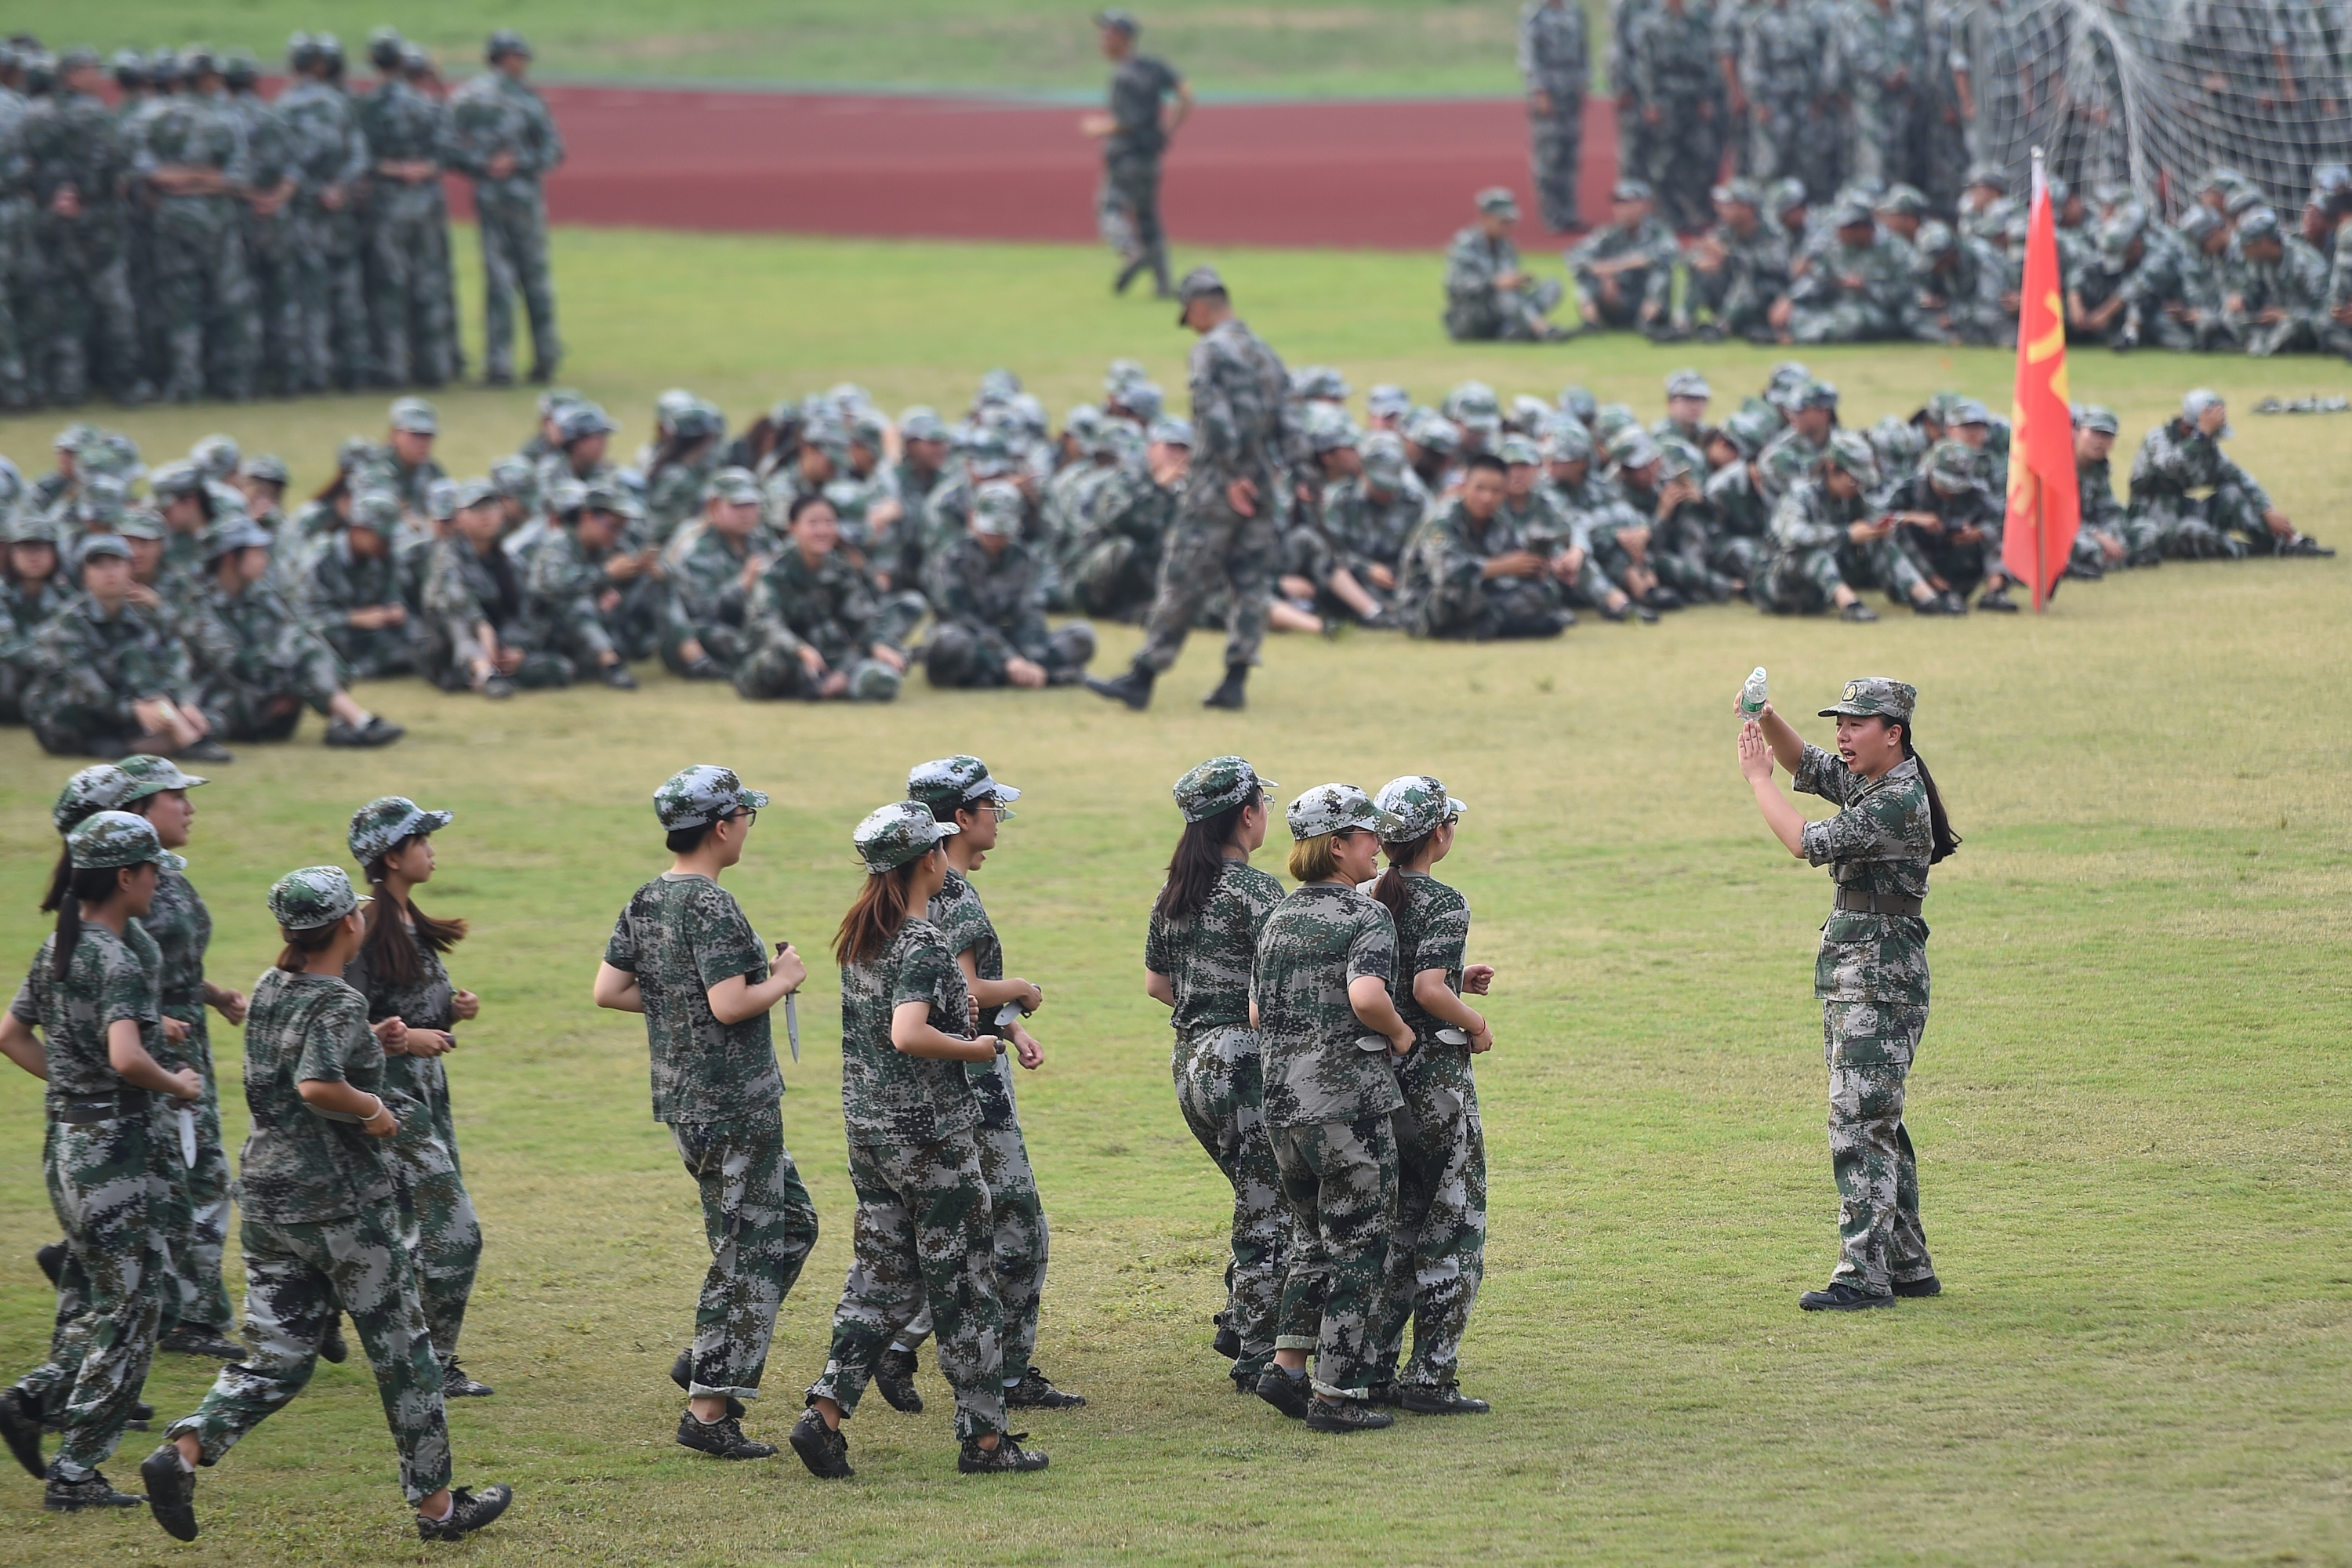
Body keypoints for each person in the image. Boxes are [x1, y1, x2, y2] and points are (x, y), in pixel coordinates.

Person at [138, 865, 513, 1544]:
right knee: (405, 1356)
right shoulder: (336, 1000)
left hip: (269, 1204)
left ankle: (184, 1451)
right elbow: (316, 1085)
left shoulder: (271, 985)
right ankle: (438, 1510)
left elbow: (297, 1063)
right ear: (348, 925)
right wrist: (373, 1110)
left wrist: (379, 1042)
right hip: (342, 1208)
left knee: (277, 1355)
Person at [790, 800, 1045, 1479]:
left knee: (882, 1278)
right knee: (967, 1285)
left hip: (870, 1136)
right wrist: (976, 1047)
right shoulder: (922, 941)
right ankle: (986, 1442)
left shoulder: (863, 936)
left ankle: (825, 1412)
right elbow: (908, 1032)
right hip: (930, 1138)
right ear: (925, 861)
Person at [593, 767, 818, 1461]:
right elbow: (727, 1005)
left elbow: (610, 989)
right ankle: (709, 1409)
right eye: (746, 816)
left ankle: (708, 1352)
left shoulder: (647, 898)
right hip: (733, 1103)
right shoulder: (710, 906)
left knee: (793, 1224)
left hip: (686, 1102)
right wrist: (783, 979)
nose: (749, 826)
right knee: (746, 1247)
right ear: (723, 826)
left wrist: (679, 1009)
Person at [0, 811, 198, 1513]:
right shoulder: (115, 958)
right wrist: (178, 1083)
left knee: (103, 1295)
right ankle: (76, 1470)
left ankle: (35, 1398)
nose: (156, 882)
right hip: (116, 1157)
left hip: (67, 1147)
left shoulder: (61, 944)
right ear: (125, 876)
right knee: (137, 1307)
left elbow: (10, 1034)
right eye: (150, 871)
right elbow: (125, 1057)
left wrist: (68, 1086)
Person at [1737, 677, 1957, 1311]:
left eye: (1856, 724)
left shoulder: (1895, 800)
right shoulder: (1877, 779)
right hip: (1860, 973)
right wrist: (1768, 718)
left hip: (1878, 980)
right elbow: (1807, 763)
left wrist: (1757, 781)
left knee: (1858, 1121)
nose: (1843, 734)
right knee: (1875, 1117)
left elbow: (1806, 842)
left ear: (1894, 733)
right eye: (1840, 722)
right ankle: (1907, 1262)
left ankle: (1863, 1275)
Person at [874, 758, 1083, 1417]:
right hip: (970, 1082)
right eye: (990, 805)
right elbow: (962, 993)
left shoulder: (912, 884)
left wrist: (1011, 1027)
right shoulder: (953, 893)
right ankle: (999, 1371)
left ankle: (897, 1343)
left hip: (937, 1082)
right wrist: (1021, 989)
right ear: (959, 819)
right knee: (1017, 1228)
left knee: (954, 1225)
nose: (1000, 816)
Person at [1250, 783, 1415, 1433]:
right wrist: (1400, 1035)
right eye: (1367, 835)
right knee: (1359, 1247)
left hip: (1283, 1107)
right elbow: (1368, 995)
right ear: (1339, 846)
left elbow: (1259, 1012)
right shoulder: (1363, 917)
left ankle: (1286, 1367)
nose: (1379, 845)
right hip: (1347, 1107)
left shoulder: (1278, 919)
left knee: (1312, 1239)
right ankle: (1336, 1394)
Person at [1087, 266, 1303, 712]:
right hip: (1262, 481)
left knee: (1184, 574)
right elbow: (1290, 420)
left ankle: (1143, 676)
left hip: (1218, 484)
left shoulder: (1209, 352)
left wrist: (1230, 473)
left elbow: (1212, 414)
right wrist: (1291, 473)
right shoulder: (1265, 353)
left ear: (1200, 307)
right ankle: (1235, 680)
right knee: (1252, 581)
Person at [1145, 757, 1289, 1393]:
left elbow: (1158, 985)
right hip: (1245, 1063)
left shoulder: (1175, 891)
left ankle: (1239, 1315)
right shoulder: (1257, 893)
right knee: (1270, 1206)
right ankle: (1258, 1354)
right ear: (1246, 814)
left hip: (1190, 1059)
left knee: (1253, 1194)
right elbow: (1284, 980)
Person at [345, 798, 489, 1399]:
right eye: (420, 840)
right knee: (453, 1233)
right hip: (389, 1105)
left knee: (393, 1231)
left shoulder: (404, 922)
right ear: (391, 856)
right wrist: (407, 1043)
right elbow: (341, 1032)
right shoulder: (360, 931)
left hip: (426, 1100)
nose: (431, 849)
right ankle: (432, 1361)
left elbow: (402, 1013)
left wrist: (449, 1012)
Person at [1366, 776, 1495, 1414]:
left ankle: (1373, 1364)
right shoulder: (1443, 900)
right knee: (1453, 1224)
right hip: (1435, 1081)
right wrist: (1473, 1022)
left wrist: (1457, 975)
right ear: (1438, 834)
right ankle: (1431, 1375)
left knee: (1398, 1224)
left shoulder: (1364, 894)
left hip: (1375, 1082)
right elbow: (1425, 990)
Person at [118, 757, 245, 1363]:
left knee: (193, 1173)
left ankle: (184, 1308)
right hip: (151, 1049)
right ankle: (189, 1316)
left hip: (186, 1041)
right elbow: (110, 971)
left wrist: (213, 995)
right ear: (140, 807)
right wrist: (150, 1018)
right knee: (189, 1175)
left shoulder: (166, 874)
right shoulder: (117, 880)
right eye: (176, 798)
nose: (189, 807)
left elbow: (171, 965)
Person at [187, 520, 406, 747]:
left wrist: (291, 684)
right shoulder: (199, 606)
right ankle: (358, 722)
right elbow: (235, 665)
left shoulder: (260, 594)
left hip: (266, 700)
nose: (265, 560)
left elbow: (298, 630)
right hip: (219, 706)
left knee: (302, 637)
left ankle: (344, 720)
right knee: (296, 643)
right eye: (257, 553)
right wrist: (289, 681)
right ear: (231, 558)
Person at [21, 533, 223, 761]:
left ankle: (161, 736)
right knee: (130, 660)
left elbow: (168, 663)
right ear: (84, 575)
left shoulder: (139, 617)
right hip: (68, 715)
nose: (109, 572)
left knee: (209, 719)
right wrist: (134, 709)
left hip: (119, 713)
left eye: (116, 563)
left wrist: (182, 703)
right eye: (98, 565)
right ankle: (182, 740)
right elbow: (86, 687)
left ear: (129, 570)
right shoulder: (68, 623)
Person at [447, 31, 563, 385]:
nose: (523, 63)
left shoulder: (466, 98)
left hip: (496, 198)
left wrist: (483, 164)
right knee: (530, 278)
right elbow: (554, 150)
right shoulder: (525, 100)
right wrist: (513, 162)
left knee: (506, 281)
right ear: (505, 58)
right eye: (519, 56)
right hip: (519, 200)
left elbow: (447, 146)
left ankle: (508, 364)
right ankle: (538, 360)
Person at [923, 481, 1096, 690]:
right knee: (949, 643)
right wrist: (1007, 658)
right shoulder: (950, 560)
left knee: (1081, 635)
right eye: (990, 530)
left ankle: (1015, 676)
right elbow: (961, 617)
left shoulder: (1025, 559)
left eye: (1002, 530)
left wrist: (1032, 659)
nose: (996, 537)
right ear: (972, 518)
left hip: (1010, 639)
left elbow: (1029, 614)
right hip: (972, 639)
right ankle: (1040, 676)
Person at [2127, 390, 2330, 559]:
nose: (2213, 439)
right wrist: (2201, 436)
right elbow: (2171, 466)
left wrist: (2267, 510)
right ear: (2190, 427)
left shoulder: (2207, 449)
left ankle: (2288, 542)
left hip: (2184, 508)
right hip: (2152, 522)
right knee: (2193, 531)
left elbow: (2239, 477)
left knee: (2232, 494)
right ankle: (2248, 551)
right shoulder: (2156, 439)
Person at [1399, 452, 1575, 640]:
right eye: (1480, 489)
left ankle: (1494, 625)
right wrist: (1504, 566)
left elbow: (1514, 558)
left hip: (1482, 594)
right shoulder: (1441, 520)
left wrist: (1534, 568)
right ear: (1464, 487)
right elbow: (1447, 572)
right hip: (1429, 600)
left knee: (1543, 590)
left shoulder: (1500, 520)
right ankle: (1498, 627)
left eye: (1496, 491)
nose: (1487, 498)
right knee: (1458, 593)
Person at [1081, 9, 1190, 299]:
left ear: (1121, 38)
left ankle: (1131, 254)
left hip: (1126, 158)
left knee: (1109, 208)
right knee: (1148, 219)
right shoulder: (1153, 67)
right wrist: (1169, 128)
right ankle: (1164, 285)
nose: (1101, 41)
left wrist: (1097, 128)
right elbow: (1186, 93)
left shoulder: (1123, 77)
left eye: (1106, 35)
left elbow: (1125, 123)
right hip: (1150, 158)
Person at [1444, 189, 1568, 341]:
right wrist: (1493, 284)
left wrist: (1518, 281)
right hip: (1471, 316)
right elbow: (1453, 285)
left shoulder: (1507, 246)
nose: (1508, 226)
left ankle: (1513, 330)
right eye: (1503, 221)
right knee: (1505, 294)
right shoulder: (1465, 245)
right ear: (1484, 218)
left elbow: (1509, 281)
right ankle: (1544, 330)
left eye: (1510, 221)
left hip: (1506, 309)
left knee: (1553, 286)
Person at [1566, 180, 1679, 335]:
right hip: (1617, 302)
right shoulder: (1608, 234)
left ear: (1643, 205)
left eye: (1628, 203)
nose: (1622, 209)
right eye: (1618, 204)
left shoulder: (1657, 231)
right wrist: (1602, 273)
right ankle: (1591, 323)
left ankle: (1647, 323)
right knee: (1582, 272)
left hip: (1645, 301)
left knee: (1661, 273)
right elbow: (1575, 255)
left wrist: (1617, 266)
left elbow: (1669, 254)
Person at [1519, 0, 1590, 230]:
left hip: (1571, 91)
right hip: (1549, 91)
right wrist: (1540, 91)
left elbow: (1583, 50)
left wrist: (1583, 83)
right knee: (1550, 156)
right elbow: (1529, 57)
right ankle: (1553, 215)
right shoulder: (1535, 14)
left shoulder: (1575, 12)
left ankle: (1569, 213)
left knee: (1570, 154)